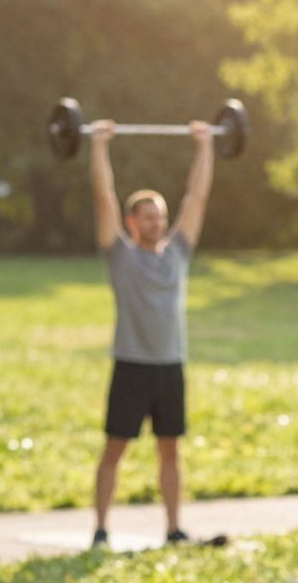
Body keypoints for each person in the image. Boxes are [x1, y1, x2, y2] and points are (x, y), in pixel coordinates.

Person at [87, 119, 224, 548]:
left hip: (170, 365)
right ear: (132, 222)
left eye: (161, 216)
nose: (158, 222)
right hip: (131, 364)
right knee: (115, 450)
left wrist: (205, 146)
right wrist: (98, 147)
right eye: (149, 217)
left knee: (170, 450)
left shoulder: (178, 254)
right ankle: (101, 530)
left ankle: (173, 529)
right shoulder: (120, 256)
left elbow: (196, 197)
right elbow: (102, 197)